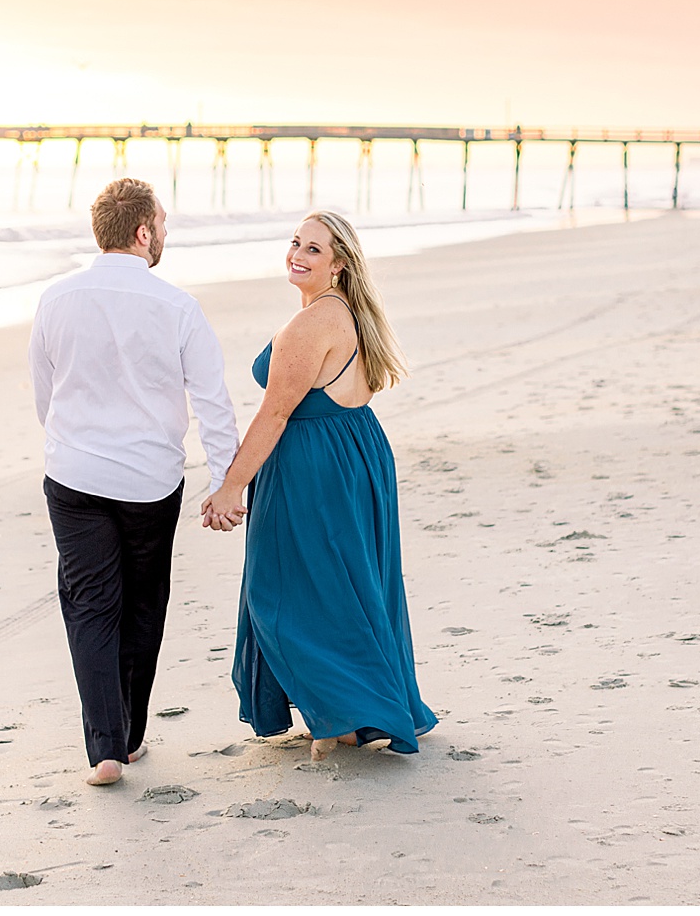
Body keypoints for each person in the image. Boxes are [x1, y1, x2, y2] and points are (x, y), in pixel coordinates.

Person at [200, 210, 437, 761]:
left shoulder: (312, 324)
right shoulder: (344, 313)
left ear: (339, 265)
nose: (297, 255)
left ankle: (347, 716)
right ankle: (358, 708)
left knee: (284, 590)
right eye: (295, 243)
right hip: (353, 452)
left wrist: (231, 487)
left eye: (313, 249)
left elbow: (275, 414)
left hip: (314, 463)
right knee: (347, 582)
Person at [30, 177, 241, 786]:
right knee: (144, 600)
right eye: (164, 225)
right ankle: (132, 732)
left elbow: (46, 393)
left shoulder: (56, 299)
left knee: (92, 602)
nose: (165, 234)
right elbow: (212, 403)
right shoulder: (177, 307)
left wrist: (75, 442)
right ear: (144, 232)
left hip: (73, 475)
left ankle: (105, 749)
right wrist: (225, 482)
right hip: (149, 479)